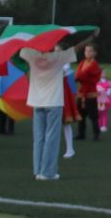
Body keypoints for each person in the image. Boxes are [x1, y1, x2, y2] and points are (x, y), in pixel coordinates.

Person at [21, 36, 76, 181]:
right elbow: (77, 48)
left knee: (38, 138)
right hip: (53, 101)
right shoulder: (57, 58)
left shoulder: (32, 56)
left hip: (37, 101)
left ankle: (38, 170)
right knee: (51, 137)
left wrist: (30, 41)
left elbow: (21, 49)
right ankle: (48, 172)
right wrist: (91, 38)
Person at [74, 43, 102, 143]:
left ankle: (96, 134)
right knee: (81, 116)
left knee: (93, 116)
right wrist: (78, 78)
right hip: (81, 93)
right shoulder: (82, 62)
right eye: (86, 51)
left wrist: (78, 78)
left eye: (90, 51)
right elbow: (79, 74)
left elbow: (82, 75)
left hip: (90, 94)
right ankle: (81, 134)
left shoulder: (94, 65)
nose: (87, 53)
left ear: (95, 53)